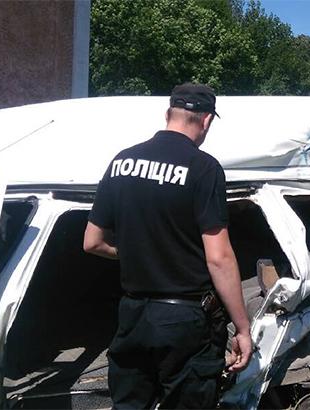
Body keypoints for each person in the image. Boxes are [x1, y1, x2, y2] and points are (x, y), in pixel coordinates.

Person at [83, 83, 252, 409]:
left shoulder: (122, 162)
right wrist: (242, 328)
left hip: (132, 316)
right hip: (184, 323)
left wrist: (132, 252)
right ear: (206, 121)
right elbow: (218, 258)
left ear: (168, 114)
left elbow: (92, 242)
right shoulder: (204, 168)